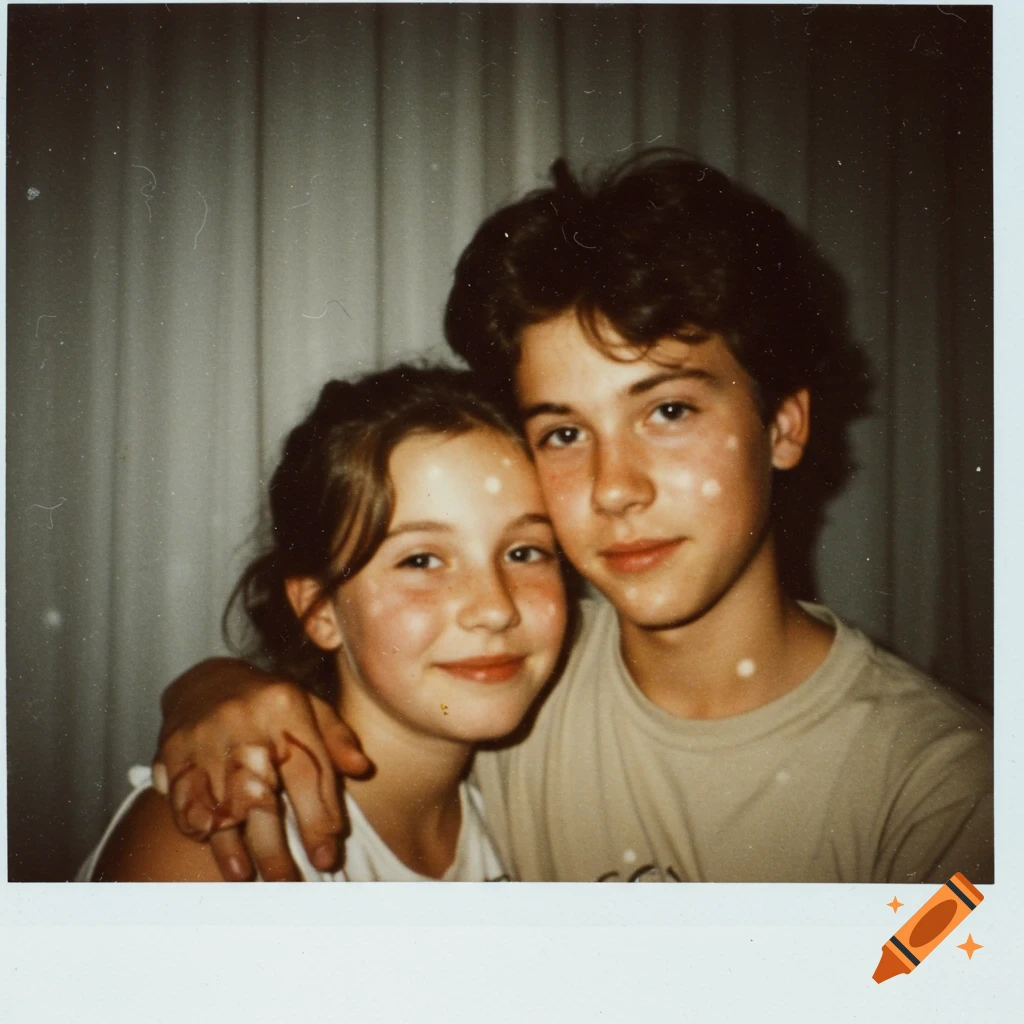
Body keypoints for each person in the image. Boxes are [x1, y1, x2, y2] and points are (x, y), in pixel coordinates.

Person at [152, 151, 993, 883]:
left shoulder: (944, 798)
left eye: (668, 411)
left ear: (782, 425)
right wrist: (217, 691)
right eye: (562, 432)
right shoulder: (518, 658)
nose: (612, 486)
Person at [76, 366, 566, 880]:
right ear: (319, 610)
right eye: (421, 560)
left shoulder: (522, 820)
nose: (495, 607)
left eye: (524, 551)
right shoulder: (215, 838)